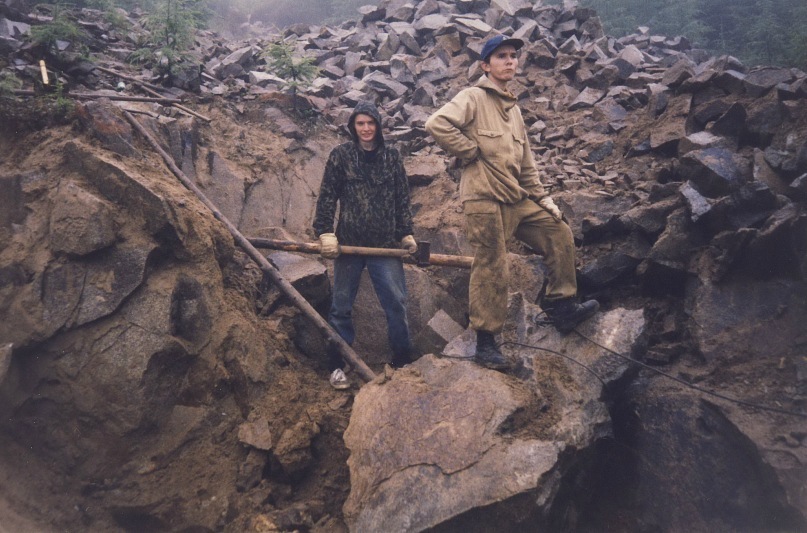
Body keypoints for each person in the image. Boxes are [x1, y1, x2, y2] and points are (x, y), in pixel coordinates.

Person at [425, 34, 599, 371]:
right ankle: (486, 341)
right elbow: (436, 123)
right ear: (485, 65)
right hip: (484, 198)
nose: (510, 61)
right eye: (501, 56)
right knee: (492, 263)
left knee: (558, 230)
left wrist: (544, 198)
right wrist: (469, 150)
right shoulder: (472, 97)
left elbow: (526, 164)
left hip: (516, 198)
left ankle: (561, 306)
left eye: (513, 56)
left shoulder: (514, 108)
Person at [313, 100, 418, 389]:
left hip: (385, 247)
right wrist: (325, 232)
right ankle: (337, 365)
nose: (366, 128)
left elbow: (401, 199)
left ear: (379, 126)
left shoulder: (392, 158)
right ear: (353, 126)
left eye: (370, 123)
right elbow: (327, 196)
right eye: (360, 123)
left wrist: (406, 233)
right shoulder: (341, 156)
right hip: (348, 246)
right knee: (341, 306)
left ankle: (402, 360)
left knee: (396, 303)